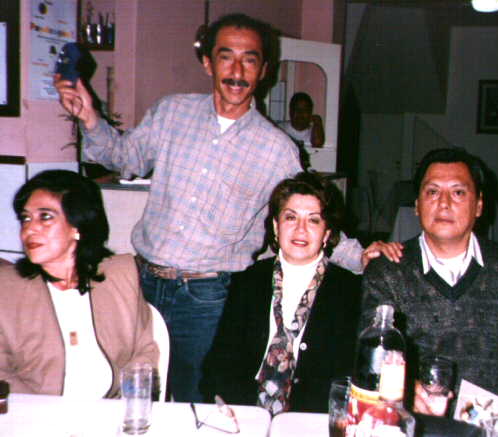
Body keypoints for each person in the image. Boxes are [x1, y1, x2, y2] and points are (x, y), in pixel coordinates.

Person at [55, 13, 381, 401]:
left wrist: (363, 256)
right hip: (143, 282)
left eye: (249, 60)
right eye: (226, 57)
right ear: (208, 63)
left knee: (197, 400)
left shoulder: (276, 149)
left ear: (264, 70)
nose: (237, 71)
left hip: (207, 297)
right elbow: (124, 158)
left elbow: (309, 211)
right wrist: (89, 116)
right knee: (130, 392)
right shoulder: (172, 112)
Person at [361, 148, 498, 423]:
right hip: (414, 425)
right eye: (432, 192)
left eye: (458, 192)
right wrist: (407, 396)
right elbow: (372, 358)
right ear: (417, 205)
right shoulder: (387, 272)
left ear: (479, 205)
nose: (444, 203)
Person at [201, 172, 362, 415]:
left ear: (327, 234)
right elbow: (218, 363)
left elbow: (347, 377)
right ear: (276, 227)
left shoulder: (348, 291)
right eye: (290, 217)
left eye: (313, 220)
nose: (300, 229)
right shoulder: (248, 280)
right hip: (245, 413)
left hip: (311, 418)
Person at [0, 170, 158, 398]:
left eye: (45, 217)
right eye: (26, 218)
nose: (29, 229)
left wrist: (128, 405)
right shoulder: (6, 288)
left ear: (77, 226)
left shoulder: (121, 273)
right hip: (34, 413)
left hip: (112, 410)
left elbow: (145, 351)